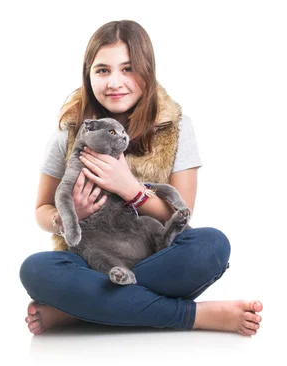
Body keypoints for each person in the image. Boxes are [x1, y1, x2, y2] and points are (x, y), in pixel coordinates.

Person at [20, 20, 262, 337]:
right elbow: (41, 210)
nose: (115, 82)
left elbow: (182, 216)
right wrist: (66, 218)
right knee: (36, 269)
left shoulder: (177, 128)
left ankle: (79, 311)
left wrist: (131, 189)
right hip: (95, 263)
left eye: (128, 69)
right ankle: (194, 315)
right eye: (103, 70)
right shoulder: (69, 134)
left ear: (147, 71)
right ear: (88, 74)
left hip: (158, 257)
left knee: (212, 245)